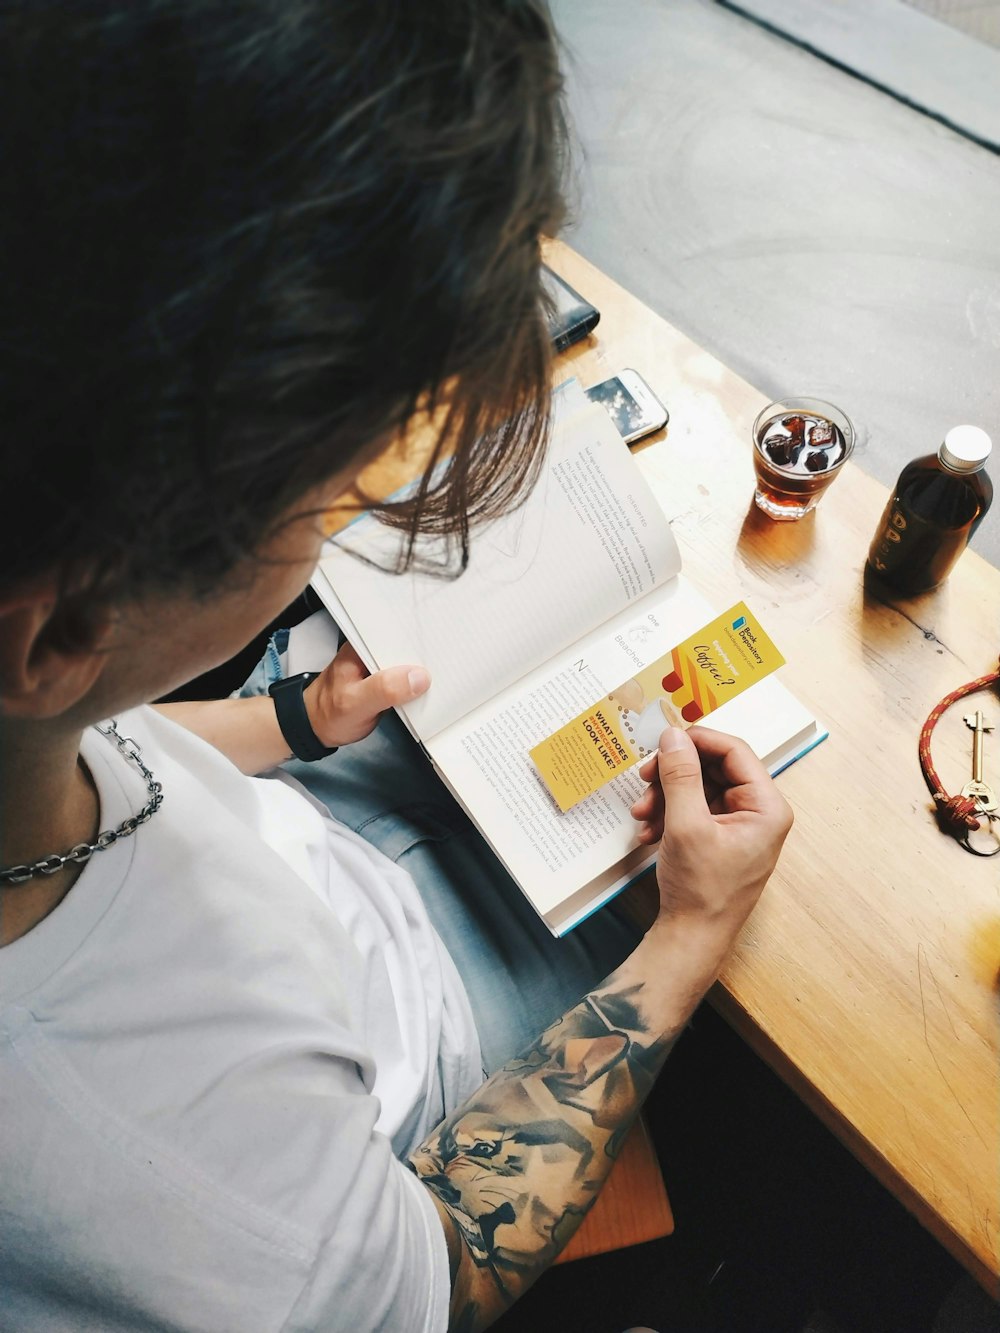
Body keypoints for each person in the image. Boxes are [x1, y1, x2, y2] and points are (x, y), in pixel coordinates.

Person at [0, 3, 793, 1330]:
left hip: (308, 821)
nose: (333, 532)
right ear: (57, 635)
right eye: (325, 501)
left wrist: (297, 721)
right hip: (442, 1016)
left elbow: (108, 748)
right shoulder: (161, 1144)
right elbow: (437, 1270)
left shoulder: (40, 714)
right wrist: (694, 925)